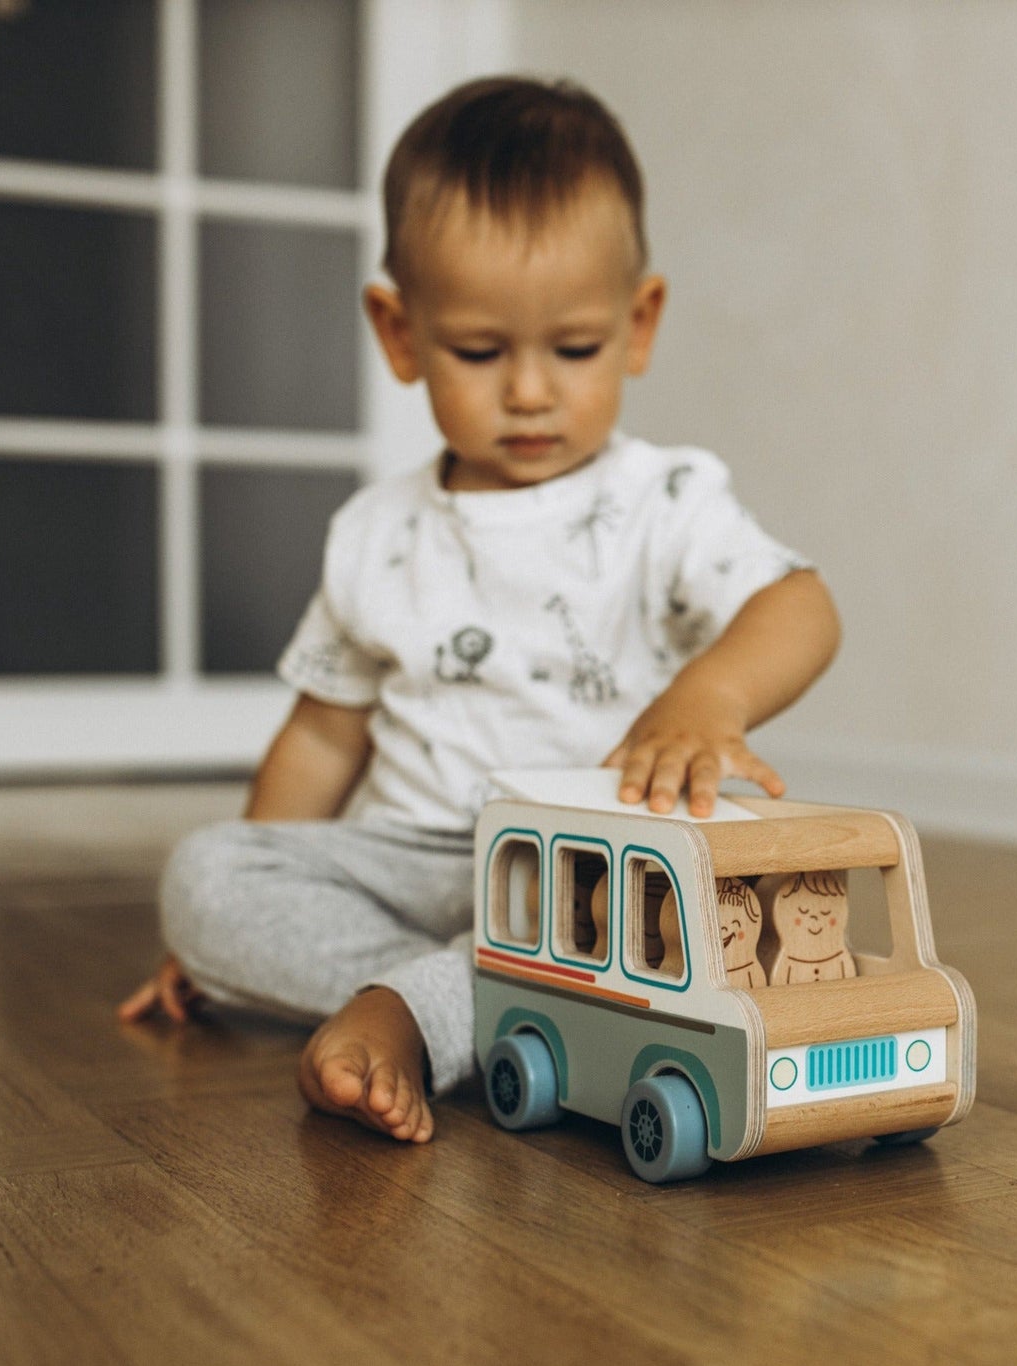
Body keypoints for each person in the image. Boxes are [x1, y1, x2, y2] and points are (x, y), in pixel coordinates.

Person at [118, 75, 841, 1146]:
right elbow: (320, 739)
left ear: (637, 324)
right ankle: (453, 994)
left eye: (575, 348)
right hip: (410, 860)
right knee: (205, 872)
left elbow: (799, 604)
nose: (532, 391)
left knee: (620, 924)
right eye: (478, 351)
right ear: (398, 331)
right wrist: (225, 936)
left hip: (585, 869)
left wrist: (705, 699)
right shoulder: (375, 532)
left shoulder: (663, 499)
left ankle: (411, 1014)